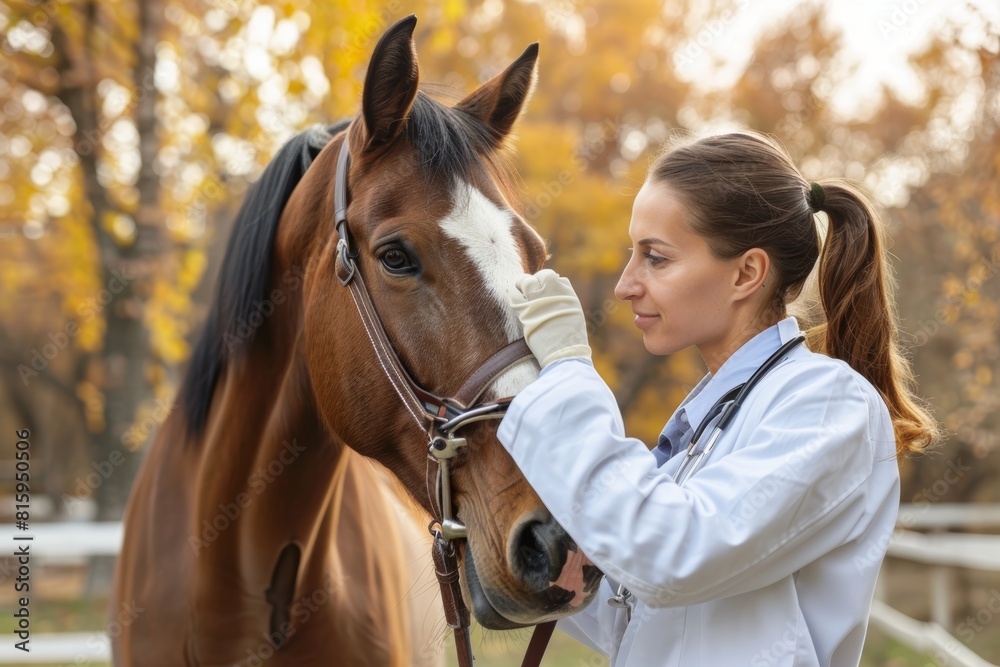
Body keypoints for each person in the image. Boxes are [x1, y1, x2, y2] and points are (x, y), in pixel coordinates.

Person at [497, 131, 939, 667]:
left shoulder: (828, 405)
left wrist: (568, 373)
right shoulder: (709, 425)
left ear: (747, 273)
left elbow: (673, 555)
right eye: (631, 255)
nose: (625, 285)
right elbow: (644, 618)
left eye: (655, 258)